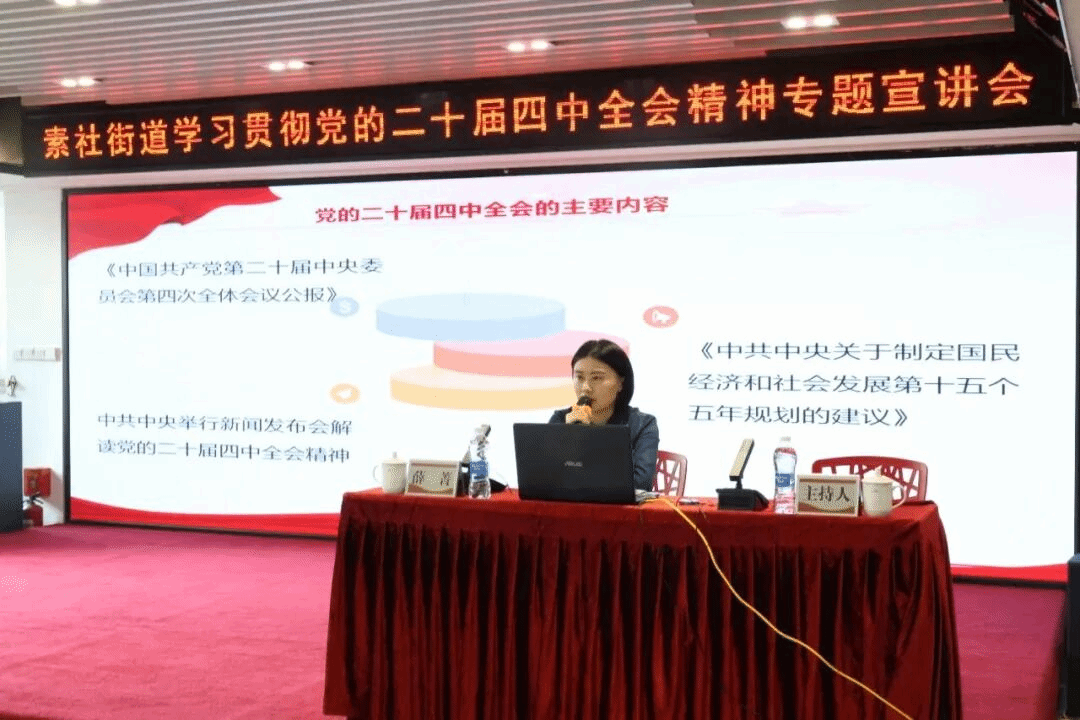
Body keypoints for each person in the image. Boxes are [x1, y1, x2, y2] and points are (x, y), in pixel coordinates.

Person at [548, 339, 659, 492]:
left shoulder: (642, 424)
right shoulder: (561, 420)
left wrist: (589, 437)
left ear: (620, 382)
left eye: (597, 378)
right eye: (579, 377)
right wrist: (568, 434)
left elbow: (641, 484)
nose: (585, 388)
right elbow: (546, 478)